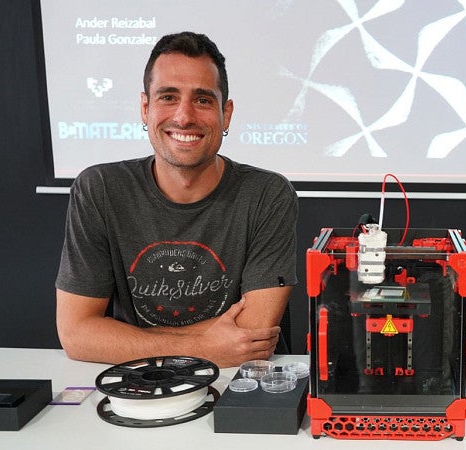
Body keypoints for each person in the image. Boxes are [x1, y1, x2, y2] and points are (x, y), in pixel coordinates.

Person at [55, 32, 298, 368]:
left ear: (226, 114)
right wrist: (205, 348)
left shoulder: (266, 195)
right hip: (141, 380)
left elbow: (252, 333)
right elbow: (78, 334)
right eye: (168, 97)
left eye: (202, 100)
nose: (184, 117)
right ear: (145, 108)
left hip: (243, 382)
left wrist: (121, 341)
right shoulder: (99, 189)